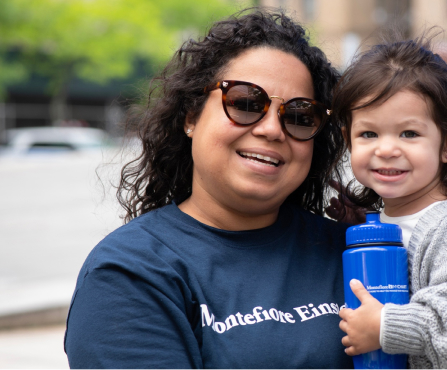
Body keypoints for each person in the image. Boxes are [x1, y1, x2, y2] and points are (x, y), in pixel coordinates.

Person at [64, 10, 353, 368]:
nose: (272, 130)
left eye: (298, 115)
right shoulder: (129, 273)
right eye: (246, 103)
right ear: (191, 117)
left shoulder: (351, 249)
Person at [330, 36, 447, 368]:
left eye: (409, 134)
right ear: (348, 140)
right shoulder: (387, 223)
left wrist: (384, 326)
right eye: (368, 134)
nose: (386, 149)